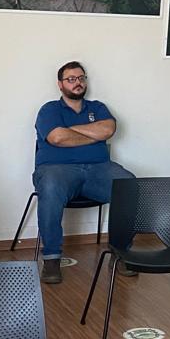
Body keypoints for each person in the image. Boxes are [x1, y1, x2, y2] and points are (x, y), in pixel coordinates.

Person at [33, 61, 135, 284]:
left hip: (99, 169)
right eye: (71, 79)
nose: (77, 83)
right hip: (56, 170)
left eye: (81, 78)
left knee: (128, 185)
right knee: (49, 187)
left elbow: (108, 130)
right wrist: (92, 135)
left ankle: (120, 253)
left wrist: (69, 131)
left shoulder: (97, 108)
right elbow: (56, 138)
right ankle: (51, 259)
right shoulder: (49, 109)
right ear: (60, 84)